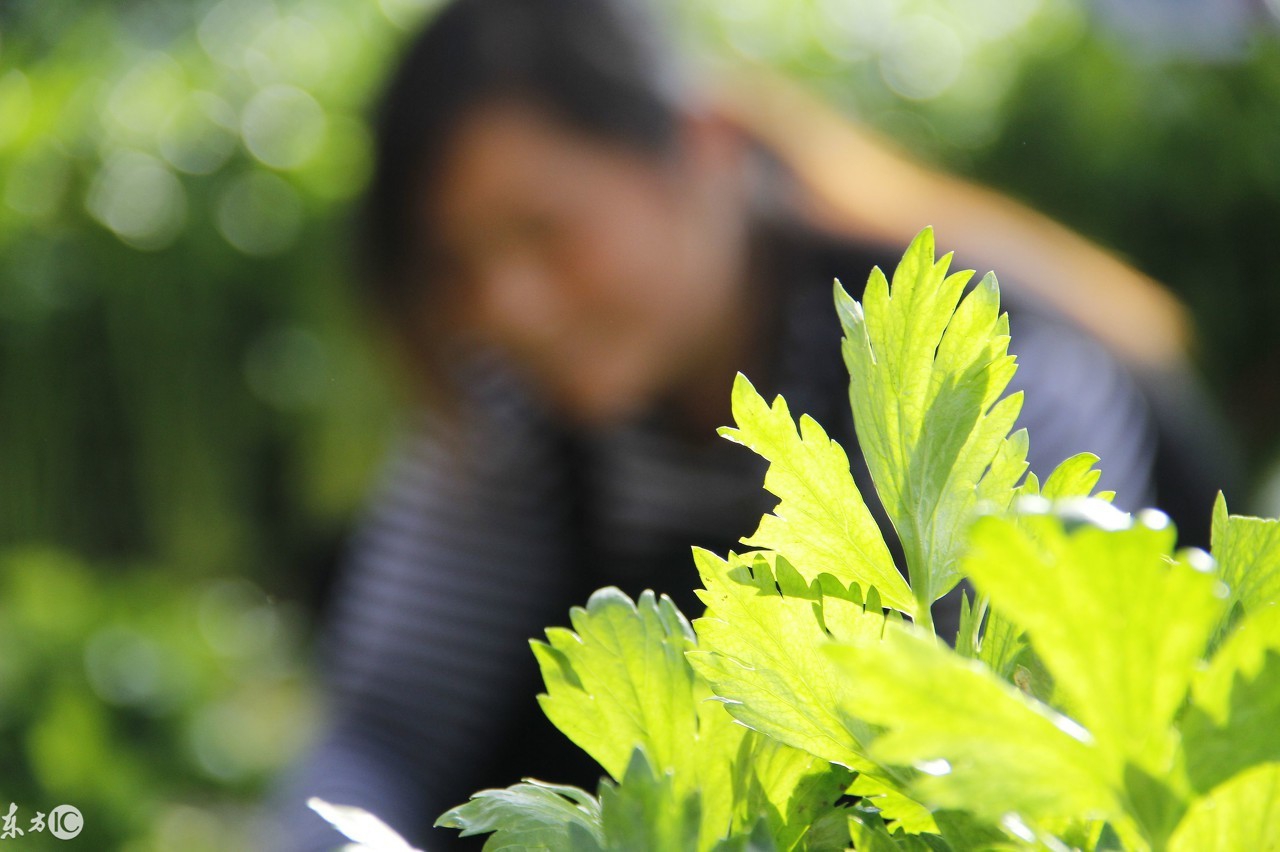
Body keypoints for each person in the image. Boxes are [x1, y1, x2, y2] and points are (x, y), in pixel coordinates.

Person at [265, 0, 1237, 848]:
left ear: (701, 150)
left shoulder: (981, 372)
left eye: (543, 231)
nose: (507, 306)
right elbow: (387, 728)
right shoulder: (515, 411)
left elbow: (1034, 763)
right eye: (455, 265)